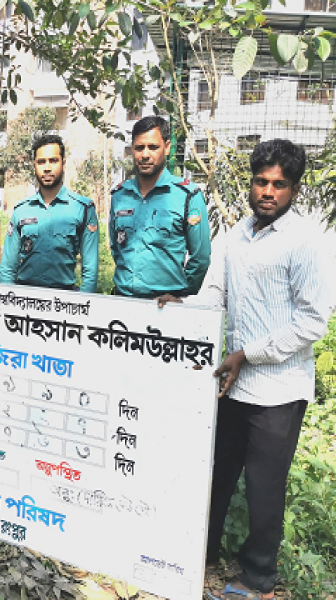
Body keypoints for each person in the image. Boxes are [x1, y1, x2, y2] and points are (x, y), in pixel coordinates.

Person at [157, 139, 333, 600]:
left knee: (263, 487)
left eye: (279, 185)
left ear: (293, 190)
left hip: (278, 388)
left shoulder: (305, 240)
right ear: (250, 184)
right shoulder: (234, 235)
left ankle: (259, 580)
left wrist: (247, 354)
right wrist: (182, 307)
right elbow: (215, 294)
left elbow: (313, 321)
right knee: (216, 471)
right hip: (232, 385)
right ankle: (203, 553)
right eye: (261, 182)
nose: (268, 192)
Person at [110, 116, 211, 298]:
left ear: (167, 147)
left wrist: (181, 292)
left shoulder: (188, 196)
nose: (145, 155)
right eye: (139, 148)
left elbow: (200, 256)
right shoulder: (119, 195)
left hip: (165, 305)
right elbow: (115, 247)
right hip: (122, 301)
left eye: (153, 147)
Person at [0, 134, 99, 292]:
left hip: (64, 302)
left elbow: (90, 271)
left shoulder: (82, 209)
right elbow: (7, 269)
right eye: (41, 162)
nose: (47, 167)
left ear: (63, 163)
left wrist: (82, 307)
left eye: (53, 161)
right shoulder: (21, 210)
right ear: (34, 165)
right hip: (25, 300)